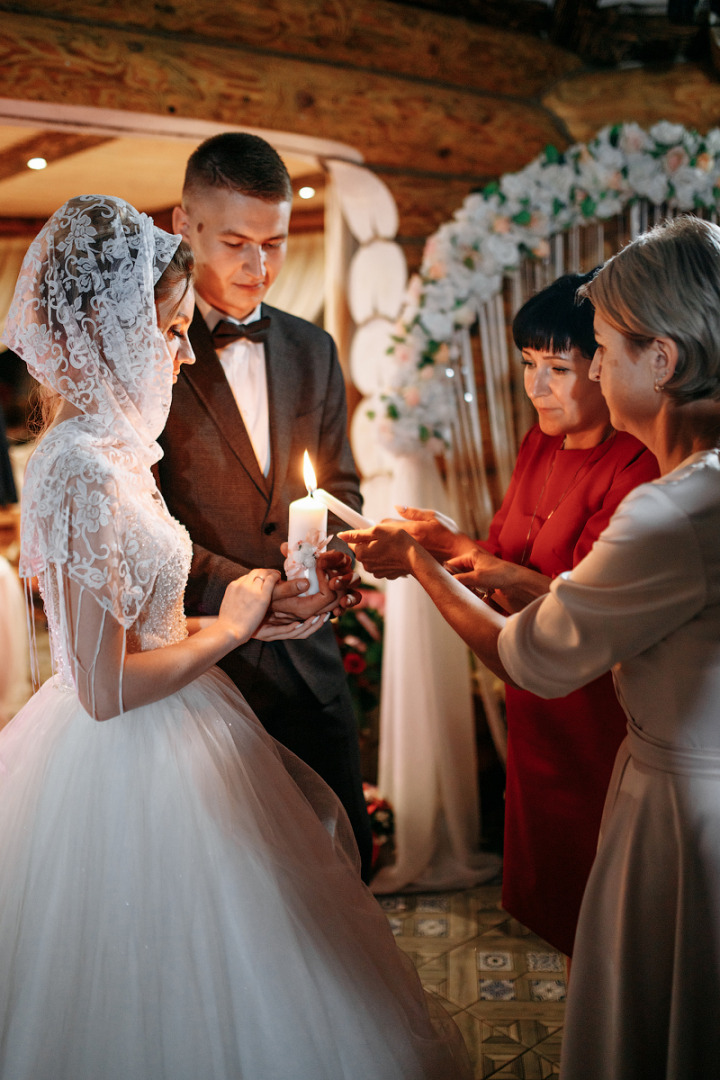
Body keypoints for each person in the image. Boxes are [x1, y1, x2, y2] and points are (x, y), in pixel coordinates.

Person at [0, 194, 471, 1080]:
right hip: (117, 763)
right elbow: (103, 691)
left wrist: (275, 609)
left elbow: (154, 613)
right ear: (112, 331)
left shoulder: (121, 451)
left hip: (189, 721)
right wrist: (234, 629)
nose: (182, 351)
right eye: (172, 331)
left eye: (182, 331)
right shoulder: (72, 466)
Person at [343, 214, 720, 1079]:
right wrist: (457, 551)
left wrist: (419, 566)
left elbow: (535, 657)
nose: (586, 368)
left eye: (599, 348)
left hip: (680, 807)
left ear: (659, 362)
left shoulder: (667, 504)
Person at [355, 272, 658, 957]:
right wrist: (451, 544)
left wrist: (469, 569)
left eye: (559, 367)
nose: (537, 386)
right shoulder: (539, 444)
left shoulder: (636, 466)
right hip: (533, 709)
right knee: (556, 911)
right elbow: (503, 557)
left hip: (594, 715)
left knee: (610, 923)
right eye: (527, 364)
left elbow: (594, 606)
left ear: (607, 367)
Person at [157, 132, 373, 879]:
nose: (259, 267)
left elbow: (340, 486)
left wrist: (333, 560)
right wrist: (246, 593)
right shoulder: (148, 353)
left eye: (275, 244)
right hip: (198, 675)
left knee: (345, 872)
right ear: (183, 224)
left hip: (311, 673)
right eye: (237, 243)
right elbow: (144, 526)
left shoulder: (314, 349)